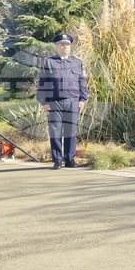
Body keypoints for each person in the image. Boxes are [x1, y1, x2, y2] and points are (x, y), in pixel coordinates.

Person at [36, 33, 89, 169]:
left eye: (67, 45)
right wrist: (44, 102)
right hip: (54, 102)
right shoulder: (49, 62)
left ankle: (70, 159)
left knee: (70, 132)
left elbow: (82, 82)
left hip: (73, 101)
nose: (64, 47)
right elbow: (43, 83)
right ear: (57, 47)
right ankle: (57, 160)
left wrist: (82, 99)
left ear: (70, 47)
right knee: (56, 131)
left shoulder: (77, 62)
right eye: (61, 45)